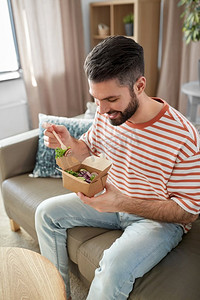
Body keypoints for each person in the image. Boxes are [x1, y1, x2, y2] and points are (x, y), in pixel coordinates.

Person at [35, 36, 200, 300]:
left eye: (110, 99)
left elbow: (188, 212)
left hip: (155, 219)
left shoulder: (183, 137)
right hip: (111, 200)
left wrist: (121, 202)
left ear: (139, 85)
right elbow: (88, 149)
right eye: (96, 99)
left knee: (112, 268)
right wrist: (67, 143)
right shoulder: (105, 113)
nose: (101, 109)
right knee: (45, 213)